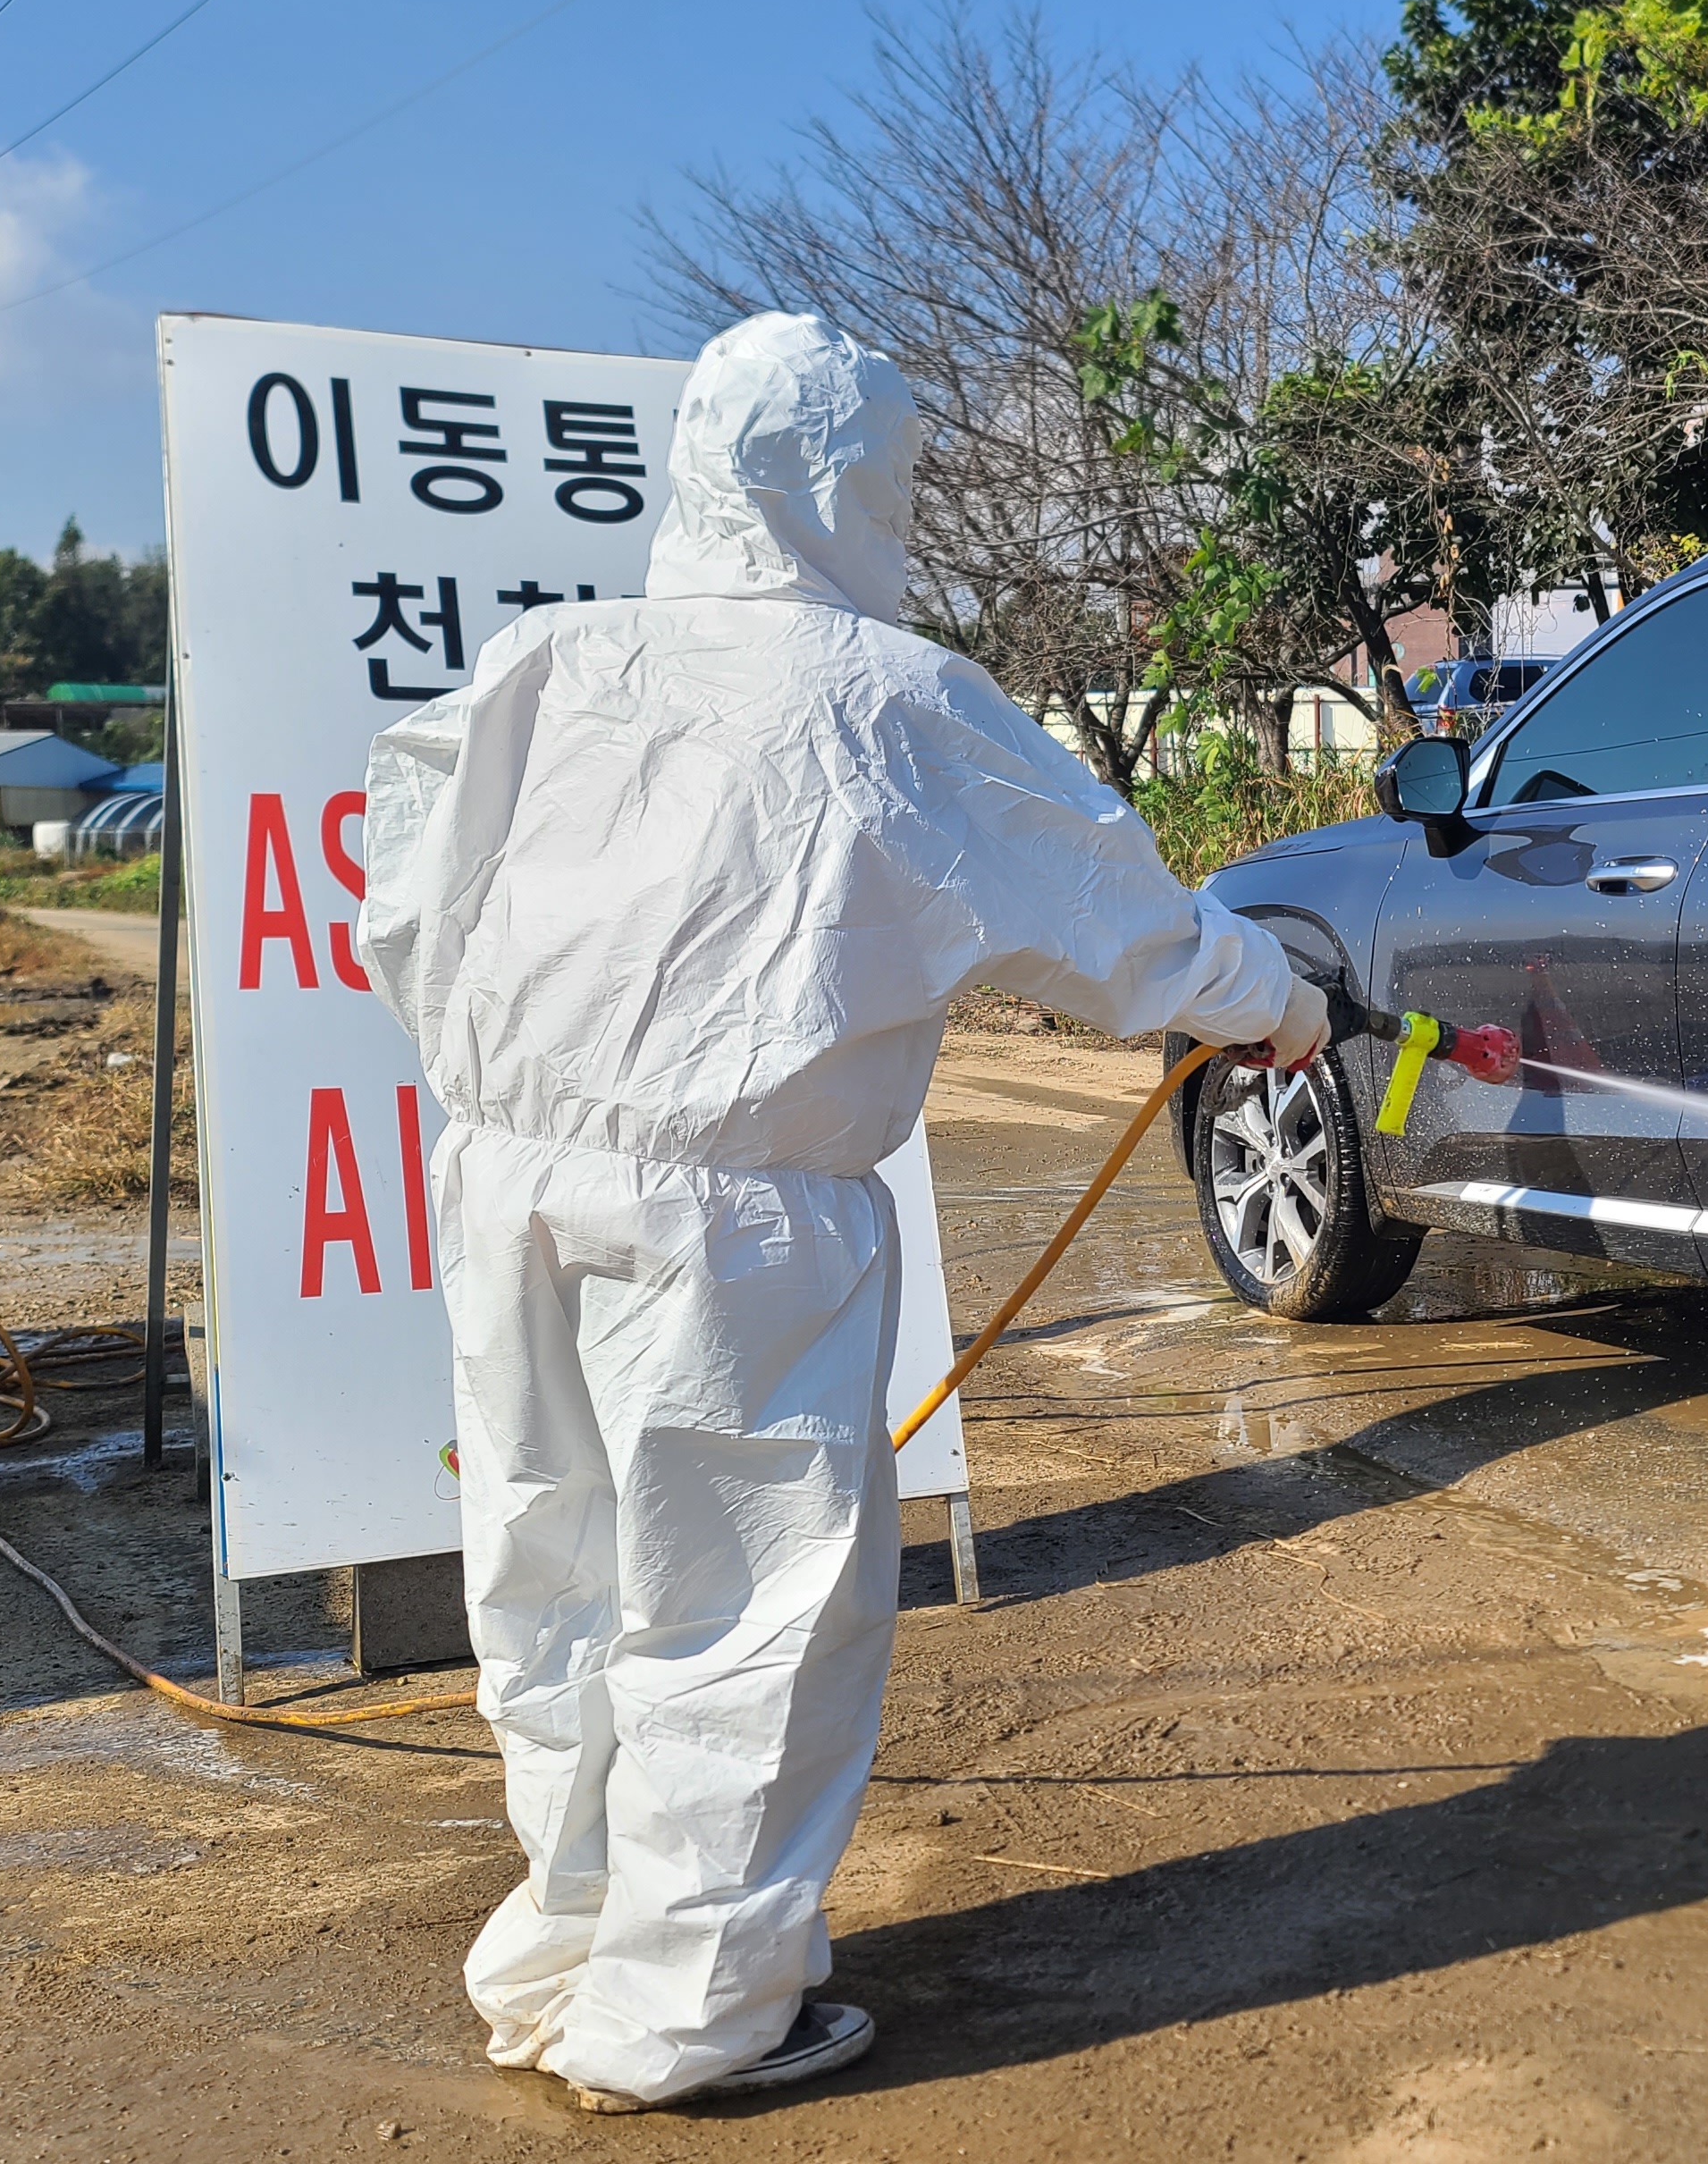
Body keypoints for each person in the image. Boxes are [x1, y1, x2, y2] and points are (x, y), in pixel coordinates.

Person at [360, 311, 1329, 2113]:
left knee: (555, 1570)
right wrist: (1270, 999)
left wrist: (520, 1079)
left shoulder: (543, 663)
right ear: (818, 479)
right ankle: (693, 2016)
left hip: (506, 1178)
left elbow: (401, 894)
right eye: (881, 466)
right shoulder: (883, 692)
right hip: (738, 1218)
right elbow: (1114, 919)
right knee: (737, 1612)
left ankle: (566, 1953)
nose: (891, 498)